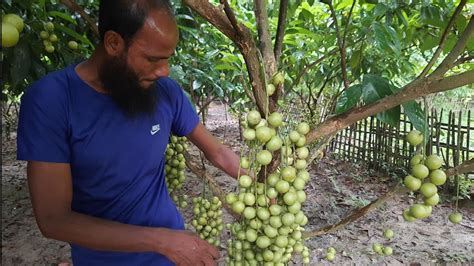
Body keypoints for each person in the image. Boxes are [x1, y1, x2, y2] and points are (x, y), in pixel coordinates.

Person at [16, 0, 243, 265]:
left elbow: (218, 153)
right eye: (152, 59)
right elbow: (54, 219)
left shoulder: (165, 93)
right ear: (113, 43)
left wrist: (262, 185)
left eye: (168, 59)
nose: (164, 71)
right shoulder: (52, 101)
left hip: (173, 254)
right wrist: (163, 241)